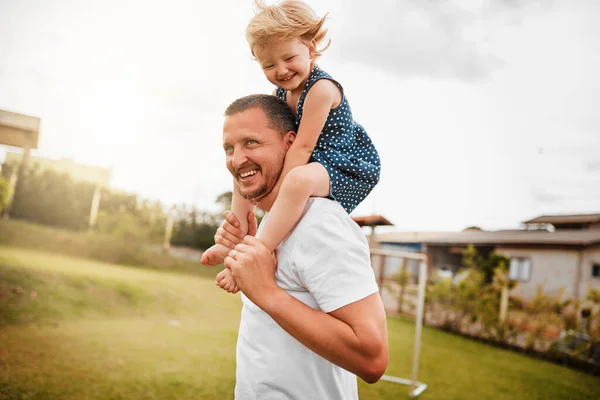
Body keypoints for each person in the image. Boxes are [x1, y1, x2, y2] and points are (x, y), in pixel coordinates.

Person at [201, 0, 381, 295]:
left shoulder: (321, 89)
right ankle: (233, 241)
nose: (281, 70)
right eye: (269, 65)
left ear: (310, 49)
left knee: (296, 181)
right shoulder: (281, 91)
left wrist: (273, 197)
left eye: (288, 58)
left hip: (344, 165)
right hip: (311, 160)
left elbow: (301, 148)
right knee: (243, 168)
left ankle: (255, 253)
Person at [216, 93, 388, 399]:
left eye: (251, 143)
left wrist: (267, 292)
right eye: (229, 148)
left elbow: (372, 358)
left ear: (289, 142)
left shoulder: (320, 223)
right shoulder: (272, 223)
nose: (236, 159)